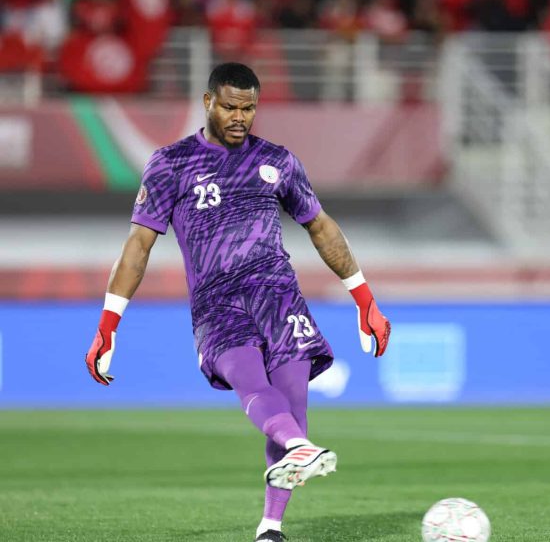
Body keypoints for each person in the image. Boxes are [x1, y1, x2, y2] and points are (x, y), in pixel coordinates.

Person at [84, 62, 391, 542]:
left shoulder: (277, 161)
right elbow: (137, 247)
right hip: (217, 302)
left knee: (293, 405)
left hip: (278, 294)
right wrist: (108, 324)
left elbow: (321, 227)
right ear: (208, 102)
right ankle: (299, 447)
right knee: (250, 382)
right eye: (230, 107)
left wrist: (364, 299)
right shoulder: (171, 164)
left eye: (248, 109)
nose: (239, 117)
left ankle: (271, 526)